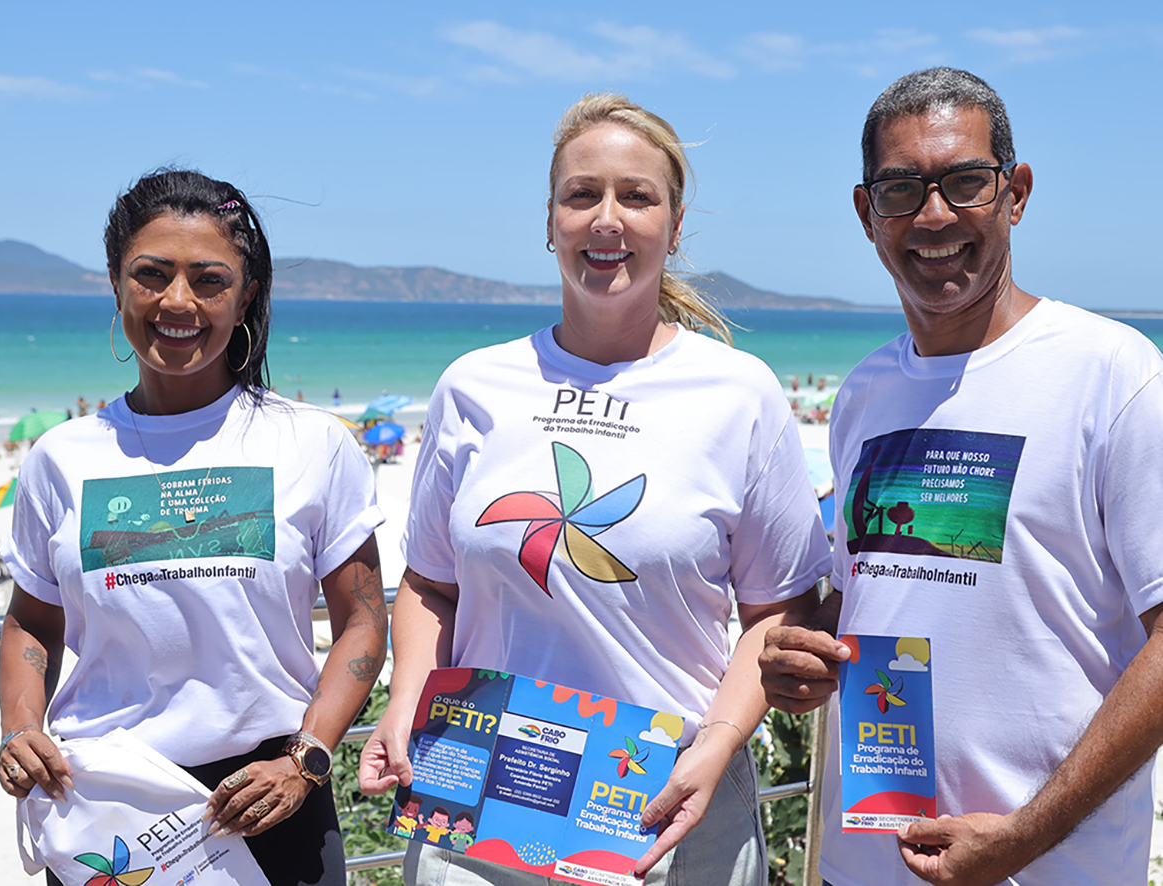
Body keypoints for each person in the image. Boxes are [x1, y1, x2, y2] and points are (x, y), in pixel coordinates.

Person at [357, 93, 831, 886]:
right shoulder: (473, 385)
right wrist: (405, 699)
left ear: (674, 227)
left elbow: (777, 611)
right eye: (582, 195)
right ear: (548, 222)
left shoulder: (738, 394)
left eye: (635, 196)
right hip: (478, 808)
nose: (606, 219)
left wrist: (717, 744)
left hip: (670, 808)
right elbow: (431, 587)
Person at [759, 68, 1163, 886]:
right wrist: (804, 657)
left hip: (1049, 867)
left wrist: (1023, 835)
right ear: (866, 214)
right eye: (901, 189)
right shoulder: (865, 394)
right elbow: (883, 592)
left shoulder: (1111, 374)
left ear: (1013, 193)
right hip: (861, 863)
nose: (933, 215)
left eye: (964, 182)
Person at [0, 169, 388, 886]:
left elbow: (362, 622)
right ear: (117, 287)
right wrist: (23, 727)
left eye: (209, 280)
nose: (178, 301)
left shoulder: (313, 443)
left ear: (246, 298)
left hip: (272, 798)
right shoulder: (61, 457)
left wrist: (307, 759)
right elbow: (29, 620)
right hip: (111, 809)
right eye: (151, 275)